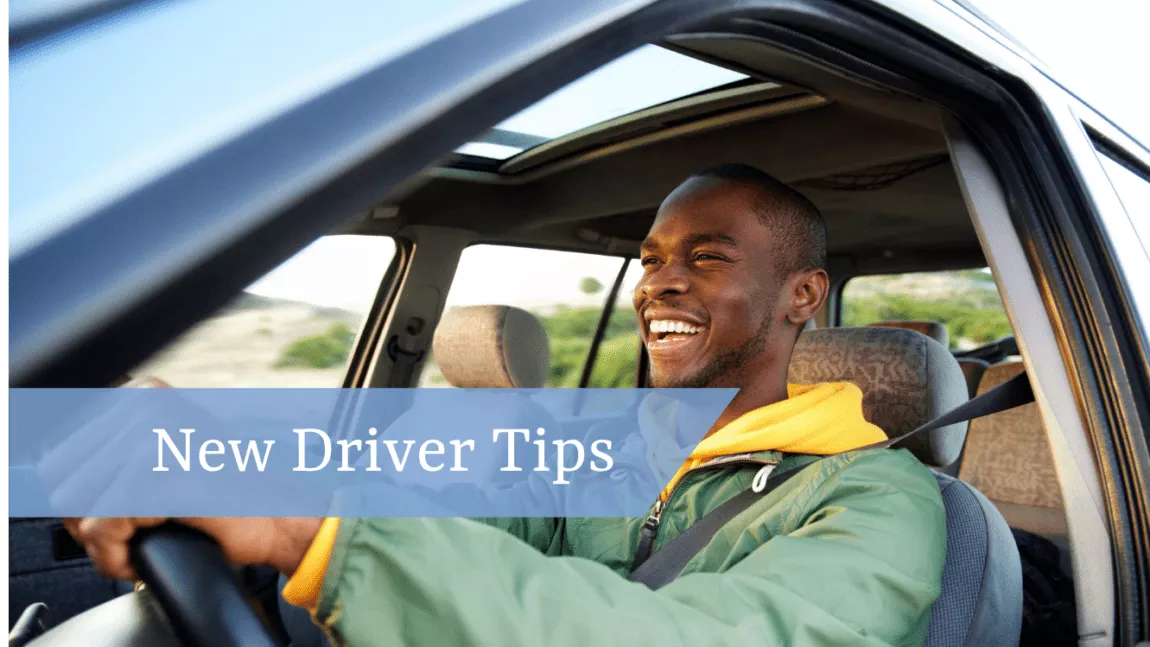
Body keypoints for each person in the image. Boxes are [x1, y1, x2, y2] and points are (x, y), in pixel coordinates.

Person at [68, 163, 946, 647]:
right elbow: (456, 515)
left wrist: (312, 531)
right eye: (649, 259)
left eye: (708, 256)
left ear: (803, 295)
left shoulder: (875, 501)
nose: (660, 282)